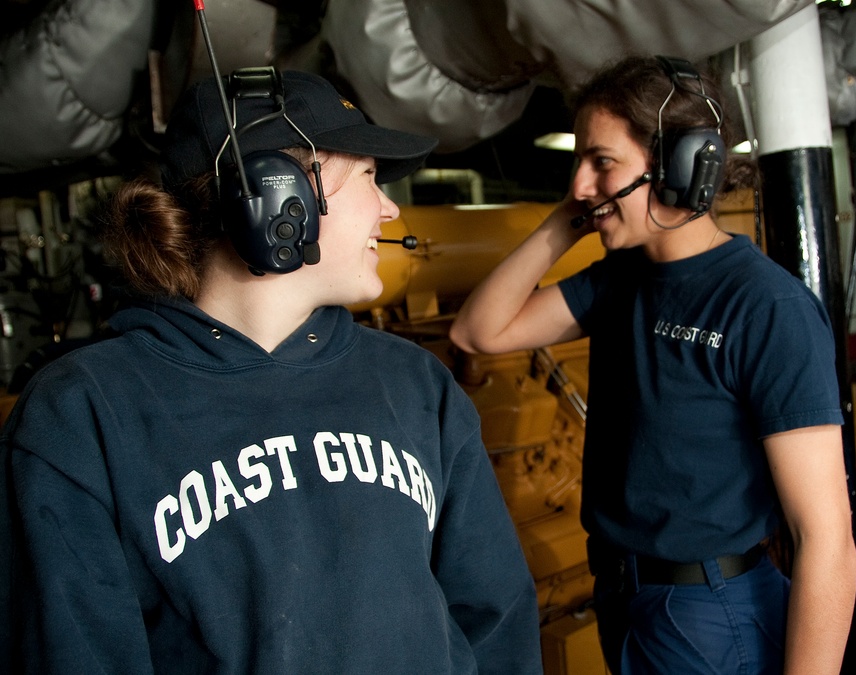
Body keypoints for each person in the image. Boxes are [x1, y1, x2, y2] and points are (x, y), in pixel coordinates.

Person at [0, 68, 543, 674]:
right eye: (367, 176)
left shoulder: (416, 384)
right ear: (280, 195)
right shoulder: (81, 415)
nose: (390, 209)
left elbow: (496, 620)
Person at [449, 55, 856, 674]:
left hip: (708, 610)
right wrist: (571, 217)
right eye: (579, 161)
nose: (581, 182)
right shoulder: (620, 280)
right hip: (626, 594)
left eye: (602, 162)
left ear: (679, 168)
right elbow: (477, 331)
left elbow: (827, 541)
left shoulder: (764, 306)